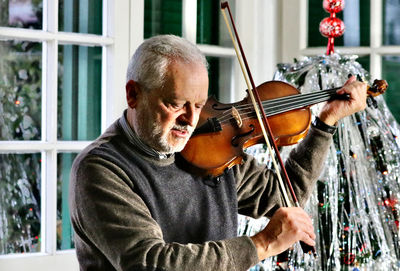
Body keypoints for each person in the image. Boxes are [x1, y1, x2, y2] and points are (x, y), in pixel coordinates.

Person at [69, 34, 367, 271]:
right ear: (133, 94)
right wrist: (262, 244)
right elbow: (150, 263)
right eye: (176, 104)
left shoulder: (212, 148)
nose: (190, 120)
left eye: (198, 105)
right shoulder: (100, 169)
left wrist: (325, 122)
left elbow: (282, 197)